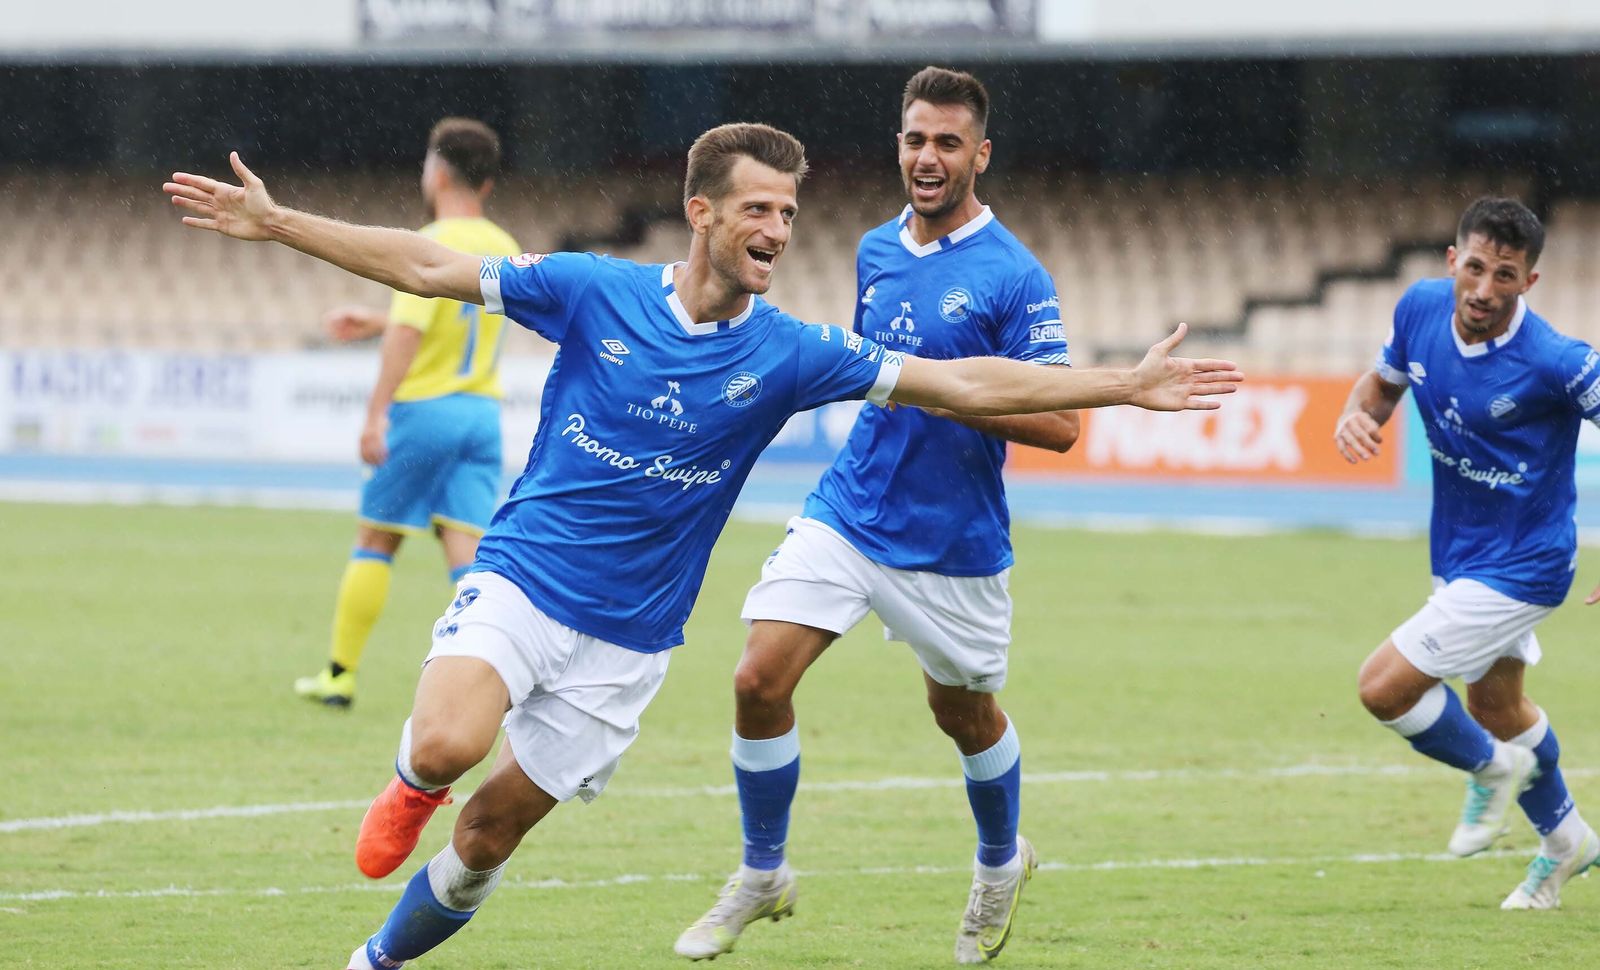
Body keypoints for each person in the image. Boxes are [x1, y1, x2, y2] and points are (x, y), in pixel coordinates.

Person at [164, 122, 1241, 970]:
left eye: (789, 211)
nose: (778, 227)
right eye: (758, 209)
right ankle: (408, 778)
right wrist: (281, 223)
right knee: (449, 749)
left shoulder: (790, 351)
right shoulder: (594, 289)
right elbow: (426, 264)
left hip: (626, 645)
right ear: (701, 214)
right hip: (527, 576)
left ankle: (373, 959)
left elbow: (959, 384)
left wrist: (1121, 384)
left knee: (489, 837)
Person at [675, 67, 1076, 966]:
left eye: (946, 143)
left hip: (953, 541)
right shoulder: (873, 249)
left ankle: (1000, 859)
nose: (926, 158)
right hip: (851, 509)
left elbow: (1059, 424)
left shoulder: (1016, 274)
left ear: (980, 154)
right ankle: (763, 870)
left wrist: (944, 392)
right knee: (756, 679)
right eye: (913, 139)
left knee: (965, 715)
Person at [1337, 197, 1600, 910]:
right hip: (1460, 552)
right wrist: (1357, 414)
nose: (1485, 290)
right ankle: (1568, 841)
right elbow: (1383, 385)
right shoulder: (1420, 308)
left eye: (1506, 275)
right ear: (1453, 260)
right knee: (1497, 704)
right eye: (1476, 268)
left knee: (1383, 687)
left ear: (1529, 283)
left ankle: (1490, 772)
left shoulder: (1556, 361)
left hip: (1527, 565)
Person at [294, 117, 520, 709]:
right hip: (481, 413)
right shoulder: (505, 246)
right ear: (488, 184)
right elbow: (463, 316)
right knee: (466, 550)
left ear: (437, 171)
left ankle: (339, 676)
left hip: (426, 411)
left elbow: (411, 334)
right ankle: (499, 677)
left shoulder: (428, 238)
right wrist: (375, 320)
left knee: (377, 538)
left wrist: (374, 416)